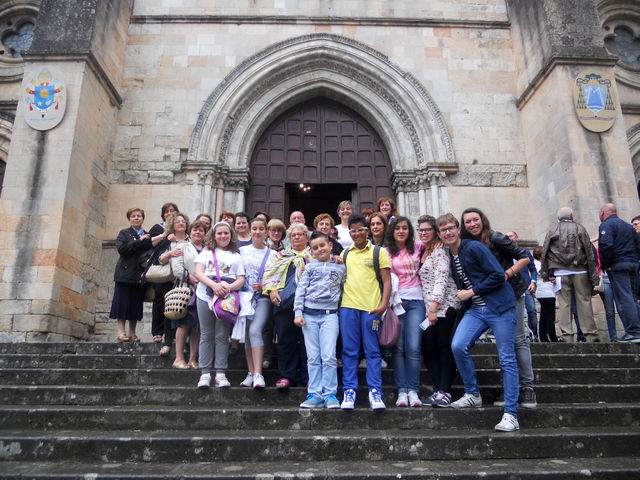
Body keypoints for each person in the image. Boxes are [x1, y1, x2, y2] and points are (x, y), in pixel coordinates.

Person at [438, 213, 520, 432]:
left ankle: (511, 414)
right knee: (457, 345)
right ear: (440, 234)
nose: (448, 232)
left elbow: (497, 274)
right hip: (477, 309)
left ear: (457, 228)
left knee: (507, 359)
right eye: (443, 229)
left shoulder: (473, 247)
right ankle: (473, 393)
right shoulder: (451, 254)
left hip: (500, 307)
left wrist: (471, 291)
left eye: (450, 227)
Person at [460, 208, 536, 409]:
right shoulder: (467, 245)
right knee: (505, 344)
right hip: (489, 298)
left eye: (475, 220)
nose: (472, 224)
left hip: (511, 293)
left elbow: (525, 257)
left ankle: (527, 387)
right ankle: (510, 387)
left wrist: (507, 274)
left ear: (483, 220)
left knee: (518, 340)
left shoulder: (496, 238)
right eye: (468, 221)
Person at [340, 213, 391, 410]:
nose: (356, 234)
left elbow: (387, 281)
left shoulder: (378, 252)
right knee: (349, 351)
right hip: (348, 307)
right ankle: (349, 390)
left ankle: (375, 391)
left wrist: (383, 305)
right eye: (352, 231)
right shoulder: (345, 254)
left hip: (371, 309)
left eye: (360, 230)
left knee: (372, 351)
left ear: (366, 231)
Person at [294, 231, 346, 409]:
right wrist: (298, 312)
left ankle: (330, 394)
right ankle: (315, 393)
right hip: (309, 316)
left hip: (330, 315)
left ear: (330, 246)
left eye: (322, 246)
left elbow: (345, 287)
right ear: (311, 252)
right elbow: (301, 291)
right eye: (315, 248)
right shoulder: (309, 268)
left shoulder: (341, 267)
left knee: (329, 355)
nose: (320, 250)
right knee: (313, 357)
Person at [194, 221, 245, 389]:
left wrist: (227, 288)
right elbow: (198, 272)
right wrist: (214, 286)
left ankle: (221, 373)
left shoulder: (236, 256)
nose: (223, 236)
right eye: (219, 233)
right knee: (206, 333)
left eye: (226, 233)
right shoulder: (206, 253)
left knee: (222, 335)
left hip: (226, 297)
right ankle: (205, 373)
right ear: (214, 236)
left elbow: (241, 278)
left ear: (231, 235)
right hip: (205, 294)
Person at [262, 222, 313, 389]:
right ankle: (287, 376)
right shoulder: (280, 256)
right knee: (285, 340)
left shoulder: (315, 255)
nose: (297, 237)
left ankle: (308, 377)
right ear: (289, 238)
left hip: (309, 305)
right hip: (284, 304)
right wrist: (272, 290)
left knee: (308, 342)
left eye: (300, 234)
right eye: (293, 235)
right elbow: (269, 274)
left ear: (307, 237)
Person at [417, 215, 460, 407]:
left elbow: (441, 279)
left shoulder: (440, 251)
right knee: (428, 347)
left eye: (427, 229)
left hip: (444, 306)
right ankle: (439, 389)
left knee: (443, 347)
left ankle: (445, 391)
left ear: (435, 231)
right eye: (420, 230)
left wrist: (433, 308)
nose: (423, 233)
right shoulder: (424, 252)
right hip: (431, 308)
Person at [540, 206, 599, 342]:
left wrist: (546, 274)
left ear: (558, 218)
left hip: (560, 272)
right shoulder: (580, 228)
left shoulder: (553, 230)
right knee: (584, 302)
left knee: (564, 303)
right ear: (572, 216)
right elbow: (589, 252)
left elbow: (545, 253)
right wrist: (593, 275)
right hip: (580, 270)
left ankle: (567, 336)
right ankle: (590, 335)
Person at [384, 216, 425, 407]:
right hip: (396, 303)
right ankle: (402, 391)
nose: (401, 231)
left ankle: (413, 391)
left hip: (417, 301)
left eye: (405, 228)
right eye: (397, 228)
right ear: (392, 231)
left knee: (414, 348)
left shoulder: (418, 247)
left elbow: (437, 242)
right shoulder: (385, 252)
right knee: (398, 348)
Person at [158, 213, 201, 369]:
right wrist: (193, 279)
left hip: (201, 291)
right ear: (191, 231)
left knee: (196, 326)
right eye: (195, 230)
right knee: (183, 324)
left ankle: (193, 359)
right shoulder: (181, 246)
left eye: (201, 231)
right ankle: (178, 358)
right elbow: (177, 269)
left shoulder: (207, 249)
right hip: (186, 288)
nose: (198, 233)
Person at [239, 217, 276, 388]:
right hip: (245, 298)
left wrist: (264, 286)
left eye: (261, 229)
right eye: (254, 228)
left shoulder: (273, 254)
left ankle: (259, 374)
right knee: (247, 334)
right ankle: (250, 372)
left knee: (255, 330)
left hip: (263, 298)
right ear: (249, 230)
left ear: (266, 231)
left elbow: (277, 279)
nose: (257, 232)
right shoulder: (242, 251)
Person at [598, 203, 640, 343]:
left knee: (626, 298)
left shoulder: (607, 225)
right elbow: (636, 245)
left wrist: (606, 264)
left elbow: (606, 245)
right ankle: (636, 330)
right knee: (632, 298)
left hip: (618, 265)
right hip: (632, 264)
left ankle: (634, 332)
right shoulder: (628, 226)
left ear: (603, 213)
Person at [110, 207, 153, 342]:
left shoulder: (148, 235)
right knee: (122, 302)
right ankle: (121, 332)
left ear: (143, 218)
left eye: (139, 216)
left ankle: (132, 333)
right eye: (133, 216)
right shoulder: (124, 233)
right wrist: (139, 241)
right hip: (124, 274)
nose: (136, 218)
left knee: (135, 304)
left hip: (139, 275)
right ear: (129, 219)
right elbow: (122, 250)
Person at [148, 203, 180, 350]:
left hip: (175, 270)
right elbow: (152, 245)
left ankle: (171, 334)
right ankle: (157, 331)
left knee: (173, 302)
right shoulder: (157, 228)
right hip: (161, 269)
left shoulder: (179, 228)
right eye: (166, 211)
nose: (169, 213)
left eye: (172, 211)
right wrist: (166, 236)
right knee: (159, 300)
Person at [506, 231, 538, 342]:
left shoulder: (525, 252)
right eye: (507, 236)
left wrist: (533, 282)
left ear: (516, 238)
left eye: (511, 235)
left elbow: (533, 269)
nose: (508, 238)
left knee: (532, 310)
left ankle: (533, 334)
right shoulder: (504, 254)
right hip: (511, 287)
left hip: (526, 286)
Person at [532, 247, 558, 342]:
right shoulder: (541, 265)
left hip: (541, 293)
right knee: (550, 317)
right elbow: (545, 274)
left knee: (543, 315)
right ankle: (553, 337)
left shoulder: (536, 264)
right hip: (548, 293)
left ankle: (543, 337)